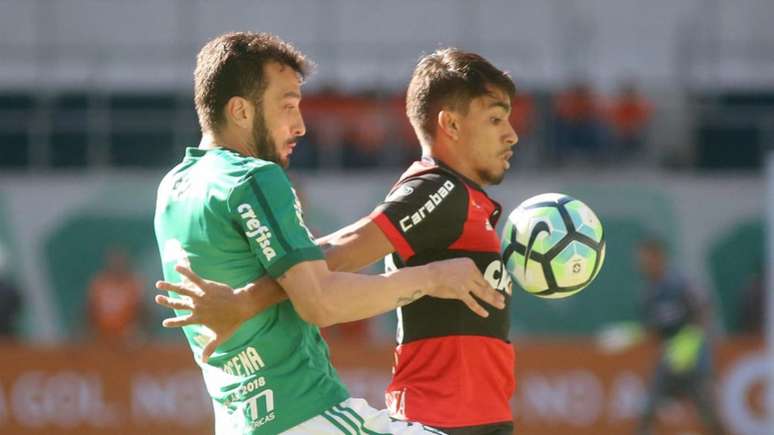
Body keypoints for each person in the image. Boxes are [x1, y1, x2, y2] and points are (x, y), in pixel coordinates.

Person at [153, 32, 503, 435]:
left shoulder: (174, 188)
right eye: (287, 107)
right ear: (240, 111)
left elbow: (281, 281)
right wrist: (433, 278)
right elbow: (321, 302)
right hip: (306, 416)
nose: (300, 125)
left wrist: (247, 301)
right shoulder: (252, 178)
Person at [635, 238, 726, 435]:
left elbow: (704, 311)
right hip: (668, 361)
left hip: (695, 362)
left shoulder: (680, 282)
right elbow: (654, 330)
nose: (642, 264)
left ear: (659, 257)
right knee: (646, 409)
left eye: (646, 258)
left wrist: (689, 345)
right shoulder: (648, 293)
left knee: (709, 415)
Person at [86, 246, 144, 342]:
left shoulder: (133, 285)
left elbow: (141, 311)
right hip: (102, 337)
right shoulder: (99, 284)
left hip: (128, 338)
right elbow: (89, 310)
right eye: (114, 262)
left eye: (120, 262)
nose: (117, 265)